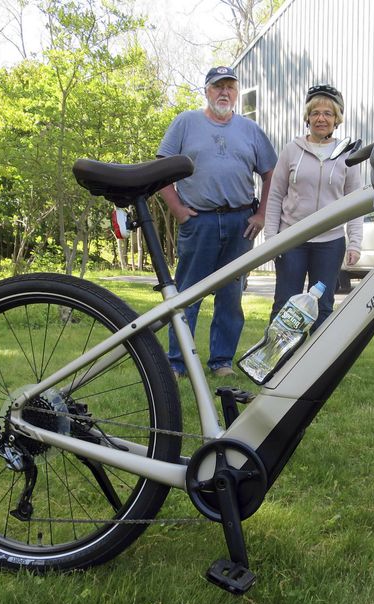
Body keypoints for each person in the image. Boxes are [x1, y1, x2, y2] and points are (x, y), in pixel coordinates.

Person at [157, 65, 277, 378]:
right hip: (200, 222)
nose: (224, 92)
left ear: (236, 93)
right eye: (217, 86)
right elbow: (161, 170)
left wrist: (262, 214)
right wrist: (179, 211)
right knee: (187, 295)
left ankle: (221, 361)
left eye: (230, 87)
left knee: (230, 296)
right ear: (206, 91)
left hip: (240, 223)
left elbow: (270, 173)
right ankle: (178, 363)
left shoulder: (250, 130)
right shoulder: (186, 122)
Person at [263, 84, 362, 328]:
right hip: (292, 238)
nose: (321, 118)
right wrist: (271, 238)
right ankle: (279, 364)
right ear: (307, 117)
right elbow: (275, 195)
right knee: (285, 304)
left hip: (330, 244)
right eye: (316, 112)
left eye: (328, 114)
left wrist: (356, 242)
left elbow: (356, 202)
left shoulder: (347, 155)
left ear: (336, 119)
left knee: (323, 306)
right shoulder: (291, 150)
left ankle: (316, 365)